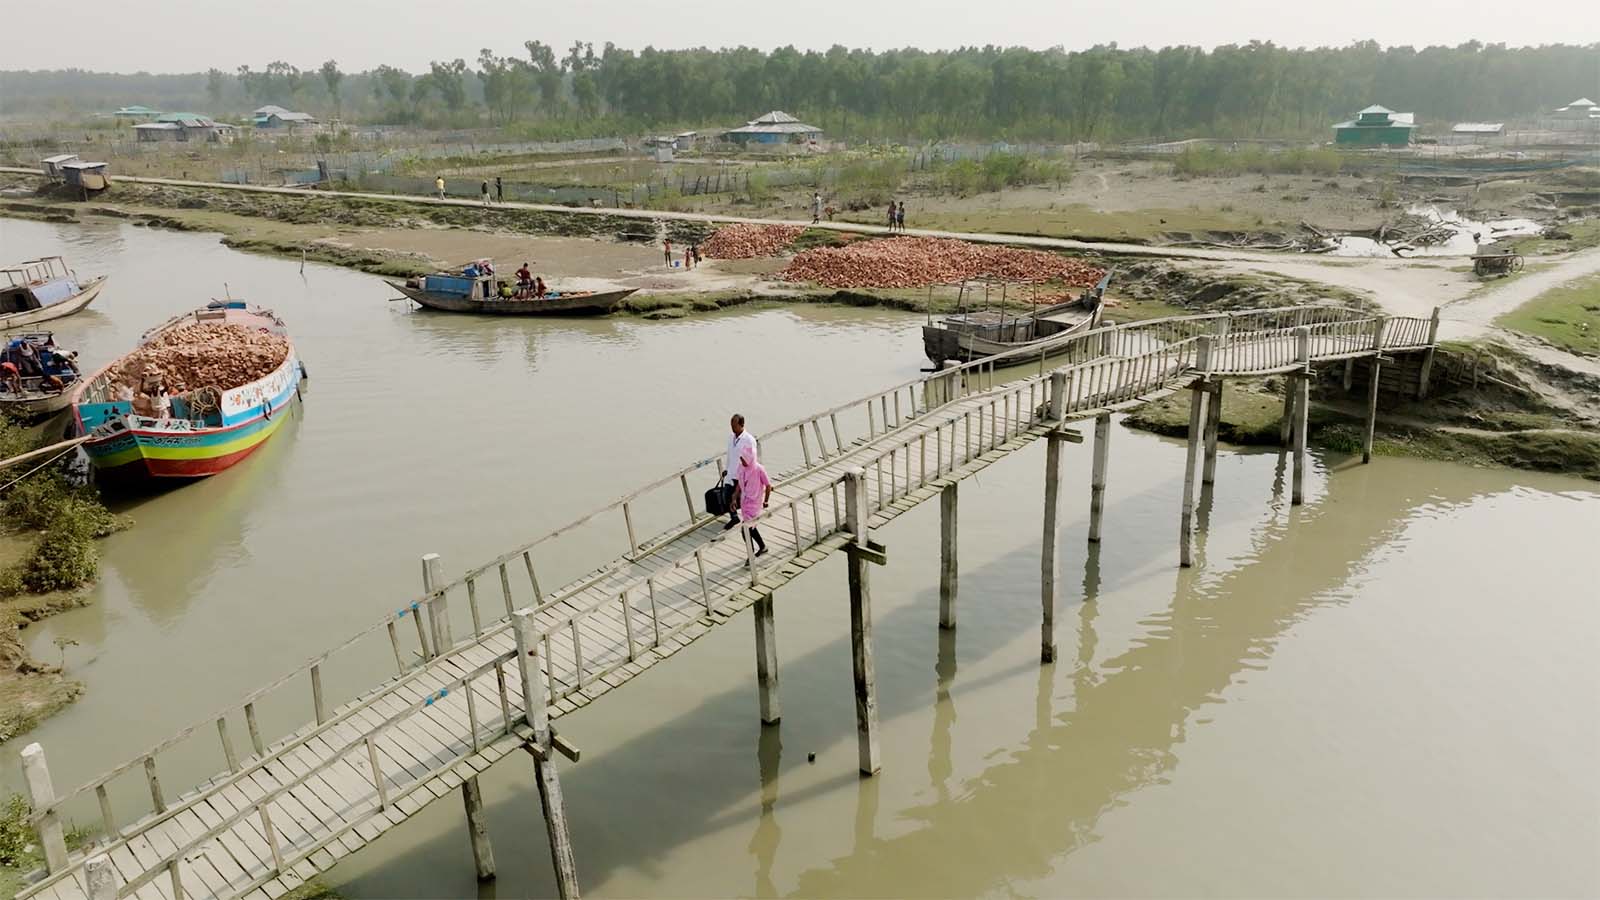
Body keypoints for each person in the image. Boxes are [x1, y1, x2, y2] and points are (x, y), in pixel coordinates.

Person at [733, 443, 772, 560]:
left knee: (746, 529)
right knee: (751, 527)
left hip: (755, 502)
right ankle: (762, 547)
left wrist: (766, 501)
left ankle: (751, 554)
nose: (742, 461)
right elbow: (739, 484)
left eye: (744, 459)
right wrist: (734, 497)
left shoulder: (759, 469)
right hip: (745, 502)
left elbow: (768, 485)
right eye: (741, 458)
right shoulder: (741, 468)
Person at [720, 414, 757, 530]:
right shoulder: (731, 437)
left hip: (742, 474)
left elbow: (752, 459)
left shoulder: (749, 440)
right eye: (731, 425)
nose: (732, 427)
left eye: (734, 425)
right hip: (731, 472)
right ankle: (734, 517)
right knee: (726, 495)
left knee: (739, 497)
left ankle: (749, 520)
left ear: (741, 425)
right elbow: (729, 455)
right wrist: (726, 469)